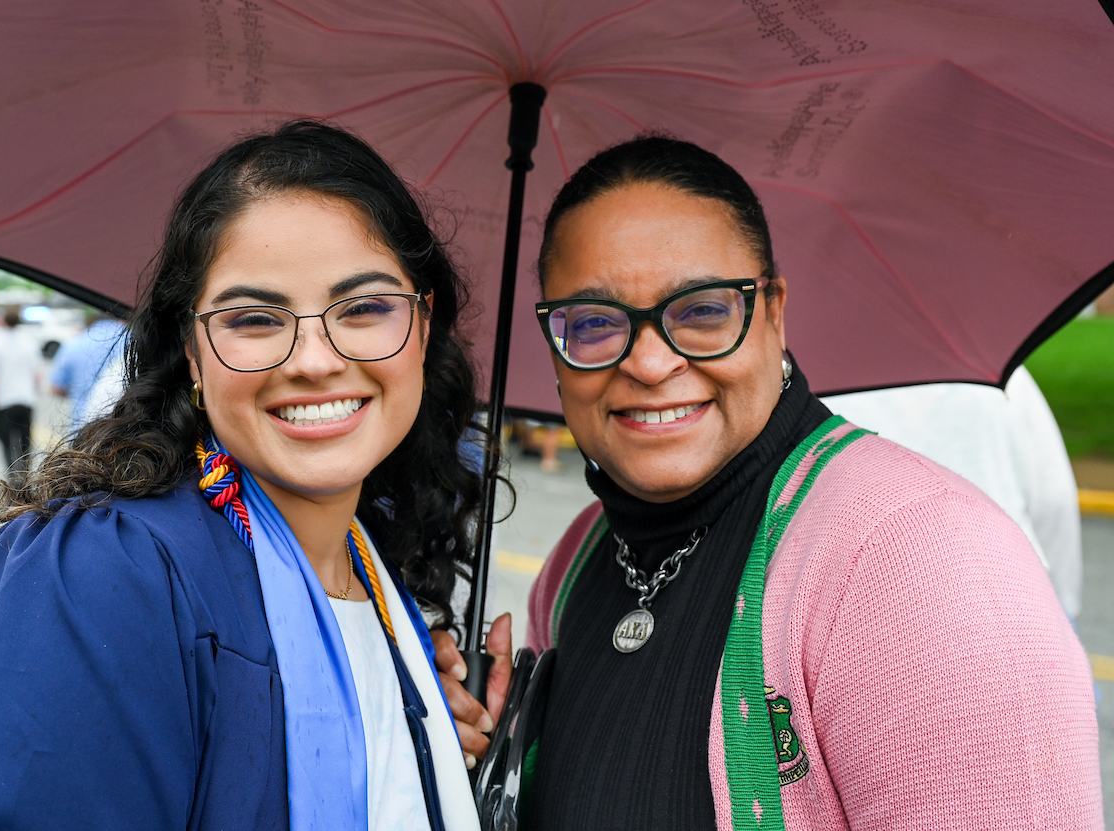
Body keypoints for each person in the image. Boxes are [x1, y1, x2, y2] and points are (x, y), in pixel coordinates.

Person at [436, 136, 1101, 828]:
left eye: (702, 310)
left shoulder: (923, 564)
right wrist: (500, 758)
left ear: (773, 312)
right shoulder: (577, 560)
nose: (651, 364)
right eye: (596, 322)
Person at [0, 121, 487, 831]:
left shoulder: (378, 582)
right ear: (192, 350)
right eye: (255, 318)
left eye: (365, 308)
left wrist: (424, 741)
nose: (315, 360)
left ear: (422, 327)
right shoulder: (106, 575)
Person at [824, 365, 1083, 617]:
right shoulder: (996, 370)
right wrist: (1064, 602)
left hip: (881, 604)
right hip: (1009, 587)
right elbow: (1053, 498)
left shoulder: (828, 382)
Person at [0, 307, 40, 479]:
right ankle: (26, 476)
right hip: (26, 399)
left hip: (4, 400)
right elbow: (36, 374)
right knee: (25, 442)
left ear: (3, 321)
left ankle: (12, 476)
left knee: (6, 443)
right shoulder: (29, 342)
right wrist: (35, 394)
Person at [49, 312, 126, 434]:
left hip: (82, 431)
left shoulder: (74, 343)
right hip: (125, 432)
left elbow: (56, 388)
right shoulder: (132, 339)